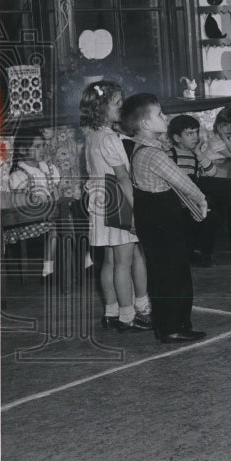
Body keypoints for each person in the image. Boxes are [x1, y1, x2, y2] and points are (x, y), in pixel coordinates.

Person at [122, 93, 208, 343]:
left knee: (162, 272)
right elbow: (183, 181)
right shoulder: (154, 154)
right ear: (146, 125)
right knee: (174, 272)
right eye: (159, 114)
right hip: (161, 215)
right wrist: (201, 199)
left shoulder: (142, 148)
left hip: (151, 214)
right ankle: (173, 326)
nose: (165, 117)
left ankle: (170, 324)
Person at [80, 81, 152, 333]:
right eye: (118, 103)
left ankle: (111, 311)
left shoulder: (92, 136)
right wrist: (137, 209)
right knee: (129, 258)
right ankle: (130, 314)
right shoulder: (110, 139)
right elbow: (122, 177)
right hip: (118, 199)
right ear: (101, 108)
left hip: (100, 200)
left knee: (110, 259)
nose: (122, 108)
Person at [4, 127, 60, 278]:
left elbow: (56, 194)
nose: (42, 150)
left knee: (74, 219)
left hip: (48, 215)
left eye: (43, 146)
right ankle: (48, 270)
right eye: (36, 147)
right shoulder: (18, 175)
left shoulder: (49, 169)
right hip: (27, 221)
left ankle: (85, 259)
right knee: (54, 227)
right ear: (22, 150)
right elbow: (24, 204)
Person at [167, 115, 219, 267]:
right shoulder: (169, 155)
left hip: (195, 200)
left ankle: (205, 252)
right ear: (177, 137)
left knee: (211, 216)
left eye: (196, 132)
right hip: (176, 200)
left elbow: (212, 172)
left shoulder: (197, 156)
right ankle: (189, 251)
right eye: (189, 134)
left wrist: (198, 152)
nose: (195, 137)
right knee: (184, 221)